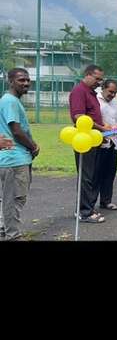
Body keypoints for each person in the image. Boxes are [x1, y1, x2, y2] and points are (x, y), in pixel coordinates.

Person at [69, 65, 112, 224]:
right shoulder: (79, 91)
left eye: (101, 79)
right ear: (87, 75)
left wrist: (101, 134)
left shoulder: (91, 93)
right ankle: (84, 212)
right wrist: (101, 128)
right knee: (86, 177)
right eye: (97, 78)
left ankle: (87, 207)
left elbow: (92, 116)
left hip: (93, 139)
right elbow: (79, 117)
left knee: (92, 176)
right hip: (84, 141)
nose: (99, 82)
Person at [0, 69, 40, 241]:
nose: (26, 83)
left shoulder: (11, 100)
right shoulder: (10, 101)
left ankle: (4, 228)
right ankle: (13, 236)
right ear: (10, 81)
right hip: (13, 160)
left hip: (15, 157)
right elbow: (16, 130)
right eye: (21, 80)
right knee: (15, 199)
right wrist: (33, 147)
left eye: (28, 80)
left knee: (12, 198)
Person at [96, 79, 117, 211]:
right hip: (100, 142)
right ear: (103, 88)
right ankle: (90, 204)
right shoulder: (96, 100)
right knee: (96, 173)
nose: (112, 95)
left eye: (115, 93)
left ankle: (106, 201)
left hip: (114, 141)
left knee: (110, 172)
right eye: (110, 92)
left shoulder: (114, 102)